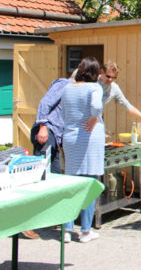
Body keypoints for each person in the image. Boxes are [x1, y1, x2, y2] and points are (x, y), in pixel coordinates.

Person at [23, 76, 74, 240]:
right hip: (47, 133)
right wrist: (43, 127)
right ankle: (26, 222)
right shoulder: (65, 84)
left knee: (54, 177)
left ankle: (47, 217)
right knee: (39, 178)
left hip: (55, 136)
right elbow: (45, 103)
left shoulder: (73, 88)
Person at [61, 57, 105, 243]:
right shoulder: (94, 87)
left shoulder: (67, 87)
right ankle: (85, 230)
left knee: (71, 183)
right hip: (89, 138)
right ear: (95, 72)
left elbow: (63, 111)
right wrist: (95, 117)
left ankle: (67, 229)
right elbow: (96, 106)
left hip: (70, 136)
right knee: (89, 183)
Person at [99, 61, 141, 130]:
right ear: (102, 72)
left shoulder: (114, 88)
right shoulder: (92, 81)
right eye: (108, 76)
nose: (110, 80)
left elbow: (128, 106)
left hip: (95, 121)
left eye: (114, 78)